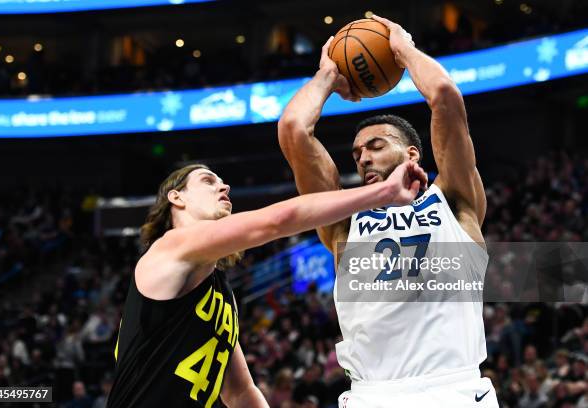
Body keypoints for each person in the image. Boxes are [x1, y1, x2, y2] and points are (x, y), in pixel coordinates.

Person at [278, 15, 498, 408]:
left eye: (376, 146)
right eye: (358, 153)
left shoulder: (454, 201)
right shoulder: (343, 221)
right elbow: (294, 128)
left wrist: (403, 50)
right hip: (375, 394)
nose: (363, 158)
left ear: (412, 153)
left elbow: (445, 95)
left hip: (457, 388)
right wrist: (327, 75)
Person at [107, 161, 427, 408]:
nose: (225, 186)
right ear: (176, 198)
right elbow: (277, 220)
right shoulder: (170, 247)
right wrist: (383, 193)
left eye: (222, 182)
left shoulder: (221, 294)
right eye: (208, 181)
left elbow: (241, 393)